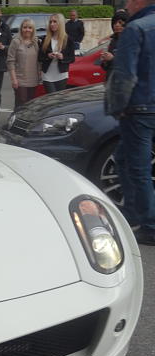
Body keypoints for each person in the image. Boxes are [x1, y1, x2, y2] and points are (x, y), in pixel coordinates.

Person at [106, 0, 155, 244]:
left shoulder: (135, 29)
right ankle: (133, 212)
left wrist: (118, 108)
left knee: (138, 167)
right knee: (126, 160)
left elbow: (126, 76)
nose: (126, 5)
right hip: (149, 106)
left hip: (138, 108)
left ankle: (149, 224)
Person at [6, 18, 41, 109]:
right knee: (21, 104)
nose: (27, 30)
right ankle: (16, 122)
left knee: (30, 105)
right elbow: (10, 62)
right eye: (25, 27)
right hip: (20, 80)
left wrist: (40, 78)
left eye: (30, 28)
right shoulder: (16, 42)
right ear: (21, 29)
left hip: (33, 80)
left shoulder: (36, 43)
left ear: (33, 30)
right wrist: (14, 79)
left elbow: (38, 62)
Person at [39, 13, 75, 93]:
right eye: (50, 22)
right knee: (52, 97)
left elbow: (72, 58)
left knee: (58, 100)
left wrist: (62, 57)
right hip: (47, 75)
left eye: (55, 21)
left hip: (61, 75)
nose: (52, 24)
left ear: (61, 23)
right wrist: (48, 56)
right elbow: (40, 57)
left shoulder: (68, 40)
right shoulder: (45, 39)